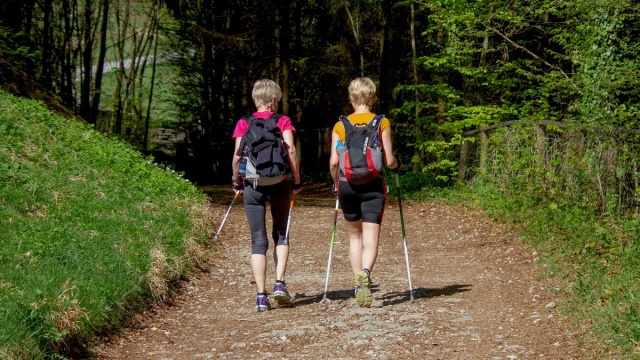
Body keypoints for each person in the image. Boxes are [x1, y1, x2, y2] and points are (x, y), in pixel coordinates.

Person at [231, 79, 302, 312]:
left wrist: (236, 181)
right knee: (281, 233)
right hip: (279, 182)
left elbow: (237, 157)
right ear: (273, 100)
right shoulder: (283, 121)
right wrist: (296, 179)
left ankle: (261, 297)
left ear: (256, 99)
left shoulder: (244, 123)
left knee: (258, 240)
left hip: (253, 185)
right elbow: (290, 150)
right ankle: (279, 284)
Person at [329, 77, 400, 308]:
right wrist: (397, 165)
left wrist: (335, 185)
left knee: (354, 238)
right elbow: (388, 161)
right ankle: (366, 273)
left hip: (346, 185)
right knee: (371, 240)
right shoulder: (382, 122)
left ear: (351, 98)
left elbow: (333, 162)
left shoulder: (340, 126)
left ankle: (358, 285)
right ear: (373, 97)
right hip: (373, 185)